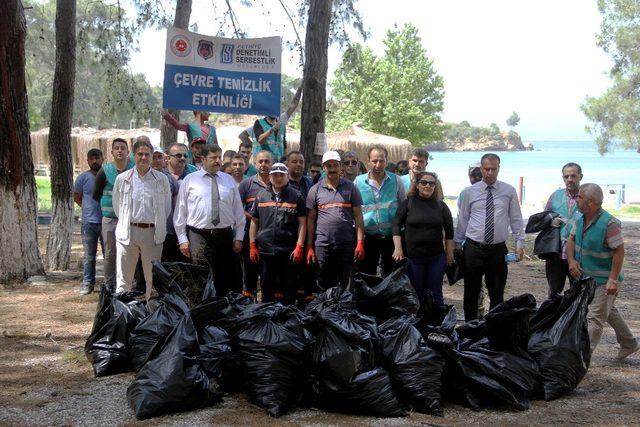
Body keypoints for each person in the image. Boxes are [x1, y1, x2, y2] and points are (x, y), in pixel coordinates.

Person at [567, 183, 639, 360]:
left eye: (580, 198)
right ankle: (629, 343)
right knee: (608, 310)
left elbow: (619, 251)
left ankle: (580, 360)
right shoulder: (581, 219)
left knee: (595, 318)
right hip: (588, 278)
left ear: (591, 202)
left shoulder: (609, 223)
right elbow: (571, 239)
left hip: (605, 279)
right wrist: (571, 260)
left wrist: (613, 280)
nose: (577, 200)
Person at [454, 153, 525, 321]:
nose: (490, 173)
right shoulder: (469, 192)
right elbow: (463, 220)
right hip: (473, 248)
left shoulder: (509, 191)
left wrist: (520, 242)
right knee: (471, 291)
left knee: (497, 293)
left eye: (494, 169)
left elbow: (516, 218)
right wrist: (457, 244)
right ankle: (470, 328)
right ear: (481, 169)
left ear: (499, 169)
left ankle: (494, 329)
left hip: (498, 250)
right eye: (487, 169)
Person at [174, 145, 245, 295]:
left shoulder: (228, 180)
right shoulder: (190, 180)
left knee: (224, 277)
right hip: (199, 236)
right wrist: (182, 239)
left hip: (224, 236)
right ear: (203, 159)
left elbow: (238, 211)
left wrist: (238, 237)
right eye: (213, 158)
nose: (218, 161)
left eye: (219, 157)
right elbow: (180, 211)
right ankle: (201, 311)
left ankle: (221, 311)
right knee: (200, 277)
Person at [112, 139, 172, 300]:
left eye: (147, 154)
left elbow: (166, 208)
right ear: (133, 155)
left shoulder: (161, 179)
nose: (143, 158)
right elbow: (118, 207)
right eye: (140, 154)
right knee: (124, 279)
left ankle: (151, 315)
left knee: (152, 279)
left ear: (152, 156)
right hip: (128, 232)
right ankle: (121, 314)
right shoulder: (123, 179)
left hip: (152, 234)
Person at [392, 171, 454, 305]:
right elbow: (396, 226)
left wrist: (449, 253)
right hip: (413, 258)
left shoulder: (441, 206)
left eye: (431, 183)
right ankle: (418, 323)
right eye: (424, 182)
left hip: (436, 257)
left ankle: (437, 323)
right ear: (417, 185)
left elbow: (449, 232)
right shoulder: (408, 203)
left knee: (435, 291)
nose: (428, 186)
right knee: (416, 292)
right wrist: (398, 249)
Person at [306, 151, 365, 290]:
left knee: (347, 281)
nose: (332, 168)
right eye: (329, 165)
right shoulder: (315, 190)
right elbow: (310, 220)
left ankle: (344, 310)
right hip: (322, 244)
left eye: (335, 165)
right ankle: (326, 311)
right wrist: (309, 246)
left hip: (346, 243)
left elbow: (358, 216)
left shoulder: (351, 187)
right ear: (323, 167)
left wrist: (360, 242)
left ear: (341, 167)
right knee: (324, 281)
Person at [249, 163, 306, 304]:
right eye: (275, 175)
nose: (278, 178)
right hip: (266, 251)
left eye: (282, 175)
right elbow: (254, 222)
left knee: (289, 288)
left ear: (287, 177)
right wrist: (252, 245)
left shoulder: (297, 196)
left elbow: (303, 224)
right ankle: (267, 316)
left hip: (289, 252)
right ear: (270, 177)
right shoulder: (261, 196)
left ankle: (288, 316)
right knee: (267, 286)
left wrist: (300, 246)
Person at [354, 145, 406, 276]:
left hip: (392, 237)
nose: (378, 164)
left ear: (386, 161)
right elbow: (354, 212)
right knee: (367, 275)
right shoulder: (358, 182)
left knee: (392, 276)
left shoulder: (396, 180)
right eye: (374, 161)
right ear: (368, 161)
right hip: (368, 238)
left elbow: (403, 207)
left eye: (381, 160)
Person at [92, 138, 134, 291]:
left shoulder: (133, 170)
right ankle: (110, 285)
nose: (120, 150)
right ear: (112, 152)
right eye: (116, 148)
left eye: (123, 148)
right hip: (110, 219)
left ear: (128, 152)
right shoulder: (105, 171)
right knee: (110, 253)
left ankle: (129, 285)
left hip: (130, 220)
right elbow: (96, 195)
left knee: (130, 252)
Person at [544, 162, 583, 296]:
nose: (570, 179)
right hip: (556, 252)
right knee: (554, 294)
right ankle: (553, 317)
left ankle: (576, 318)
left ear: (580, 176)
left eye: (573, 176)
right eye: (566, 176)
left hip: (579, 255)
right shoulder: (555, 196)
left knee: (578, 293)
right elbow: (544, 217)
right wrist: (551, 222)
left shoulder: (587, 196)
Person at [238, 150, 273, 297]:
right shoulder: (246, 184)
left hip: (271, 238)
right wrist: (255, 218)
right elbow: (238, 209)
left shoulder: (279, 182)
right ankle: (247, 305)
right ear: (254, 163)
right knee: (249, 274)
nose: (264, 164)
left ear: (273, 163)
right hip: (249, 236)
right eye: (260, 161)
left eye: (267, 161)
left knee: (269, 274)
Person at [74, 148, 104, 295]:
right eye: (91, 158)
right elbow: (77, 197)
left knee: (110, 255)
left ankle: (111, 284)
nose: (94, 161)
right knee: (89, 256)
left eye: (97, 158)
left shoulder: (108, 176)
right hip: (89, 223)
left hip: (107, 222)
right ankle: (88, 283)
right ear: (87, 160)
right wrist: (88, 209)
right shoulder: (82, 178)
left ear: (102, 159)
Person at [253, 86, 302, 161]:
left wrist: (300, 88)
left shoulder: (282, 122)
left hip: (279, 164)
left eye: (275, 107)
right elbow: (260, 140)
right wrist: (272, 129)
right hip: (265, 162)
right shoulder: (259, 122)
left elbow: (293, 105)